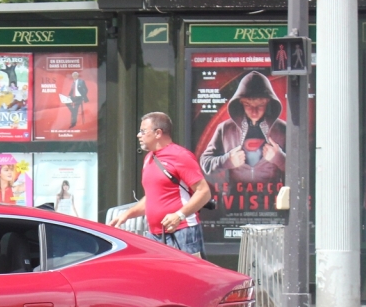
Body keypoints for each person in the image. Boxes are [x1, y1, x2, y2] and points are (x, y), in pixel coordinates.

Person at [111, 112, 212, 258]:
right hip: (155, 235)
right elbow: (153, 197)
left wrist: (179, 215)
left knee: (187, 279)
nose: (138, 135)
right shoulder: (149, 158)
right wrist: (127, 214)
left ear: (158, 133)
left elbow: (204, 192)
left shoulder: (180, 156)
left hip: (183, 232)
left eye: (143, 131)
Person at [198, 71, 286, 185]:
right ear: (240, 103)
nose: (254, 111)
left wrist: (279, 158)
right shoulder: (224, 129)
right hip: (234, 199)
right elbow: (205, 163)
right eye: (248, 105)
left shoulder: (283, 129)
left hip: (274, 199)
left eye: (260, 105)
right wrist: (227, 160)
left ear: (268, 103)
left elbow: (302, 167)